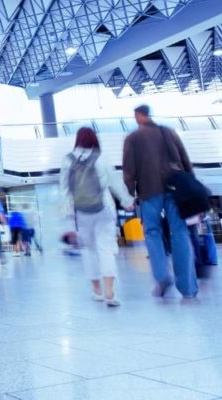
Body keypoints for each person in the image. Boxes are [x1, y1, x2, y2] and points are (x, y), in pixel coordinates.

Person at [123, 105, 197, 299]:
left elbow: (129, 170)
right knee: (180, 232)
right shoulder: (169, 132)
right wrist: (192, 188)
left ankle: (162, 276)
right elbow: (185, 161)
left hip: (149, 191)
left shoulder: (133, 138)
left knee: (152, 232)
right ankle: (188, 287)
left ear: (138, 116)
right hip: (175, 189)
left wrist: (129, 195)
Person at [61, 127, 134, 307]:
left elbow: (65, 190)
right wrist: (126, 200)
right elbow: (114, 182)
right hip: (104, 209)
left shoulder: (67, 160)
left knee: (89, 250)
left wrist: (68, 216)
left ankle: (97, 290)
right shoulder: (101, 157)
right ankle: (109, 291)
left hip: (81, 212)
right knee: (106, 248)